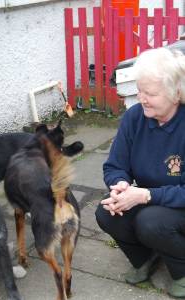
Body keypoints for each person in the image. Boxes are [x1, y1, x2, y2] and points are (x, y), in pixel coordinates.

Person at [95, 47, 185, 298]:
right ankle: (145, 258)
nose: (141, 98)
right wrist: (120, 185)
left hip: (179, 204)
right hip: (152, 198)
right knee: (106, 213)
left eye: (150, 93)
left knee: (150, 222)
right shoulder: (135, 117)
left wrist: (145, 196)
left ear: (176, 93)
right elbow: (114, 165)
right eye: (140, 90)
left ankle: (182, 270)